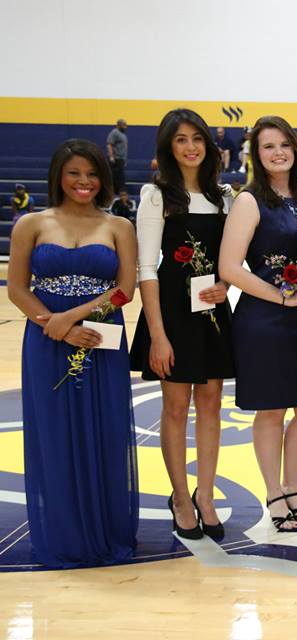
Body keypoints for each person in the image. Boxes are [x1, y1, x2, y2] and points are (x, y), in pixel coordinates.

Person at [6, 139, 138, 567]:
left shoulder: (119, 226)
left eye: (92, 174)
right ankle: (64, 533)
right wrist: (54, 326)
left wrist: (74, 318)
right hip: (46, 341)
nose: (84, 182)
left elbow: (124, 292)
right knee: (55, 433)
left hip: (102, 337)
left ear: (104, 178)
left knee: (106, 429)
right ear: (59, 177)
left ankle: (105, 530)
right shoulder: (32, 223)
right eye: (74, 173)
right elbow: (17, 289)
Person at [219, 115, 297, 532]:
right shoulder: (249, 201)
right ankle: (274, 493)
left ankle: (294, 486)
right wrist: (282, 295)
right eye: (268, 146)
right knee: (271, 411)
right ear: (257, 154)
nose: (278, 152)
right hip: (264, 320)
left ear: (295, 149)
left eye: (284, 144)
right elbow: (229, 267)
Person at [128, 108, 236, 540]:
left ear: (208, 145)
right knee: (175, 409)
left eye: (197, 138)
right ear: (168, 148)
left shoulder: (224, 195)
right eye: (181, 140)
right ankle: (179, 497)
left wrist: (226, 283)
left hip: (211, 314)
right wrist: (157, 334)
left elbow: (231, 260)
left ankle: (204, 495)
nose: (191, 147)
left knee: (211, 405)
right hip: (171, 315)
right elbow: (146, 268)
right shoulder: (156, 195)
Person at [106, 118, 129, 192]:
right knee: (115, 178)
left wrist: (124, 161)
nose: (126, 127)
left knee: (120, 178)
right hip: (115, 159)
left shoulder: (123, 134)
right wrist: (111, 156)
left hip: (121, 160)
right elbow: (109, 144)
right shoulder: (114, 132)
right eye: (124, 125)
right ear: (119, 125)